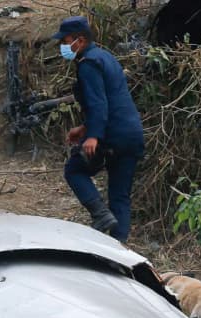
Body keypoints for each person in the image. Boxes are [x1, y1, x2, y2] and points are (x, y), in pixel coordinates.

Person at [53, 16, 144, 242]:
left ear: (80, 40)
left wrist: (93, 136)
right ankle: (118, 251)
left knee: (74, 170)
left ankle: (100, 215)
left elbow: (98, 103)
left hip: (112, 135)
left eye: (65, 41)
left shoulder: (88, 64)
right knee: (119, 196)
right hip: (131, 134)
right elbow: (112, 102)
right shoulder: (105, 57)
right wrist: (85, 128)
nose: (62, 47)